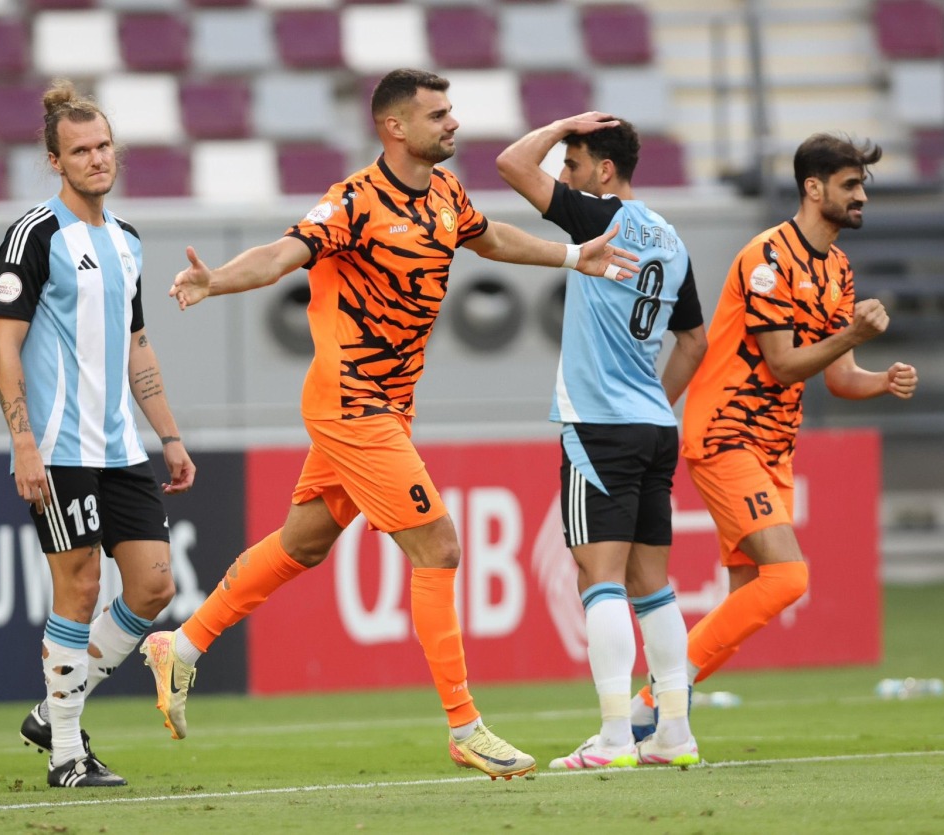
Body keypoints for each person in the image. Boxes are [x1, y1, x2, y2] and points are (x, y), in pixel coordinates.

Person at [138, 68, 639, 781]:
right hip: (351, 403)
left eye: (452, 110)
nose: (453, 123)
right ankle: (464, 726)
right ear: (395, 127)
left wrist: (571, 256)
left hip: (390, 405)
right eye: (438, 114)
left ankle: (181, 645)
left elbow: (490, 237)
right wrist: (216, 279)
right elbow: (282, 253)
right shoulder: (353, 201)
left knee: (303, 543)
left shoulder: (445, 193)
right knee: (439, 546)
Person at [627, 133, 919, 736]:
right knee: (789, 577)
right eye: (850, 185)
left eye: (862, 185)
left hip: (774, 448)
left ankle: (656, 716)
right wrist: (854, 335)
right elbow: (784, 364)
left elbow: (838, 377)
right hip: (726, 432)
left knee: (750, 595)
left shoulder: (838, 268)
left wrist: (881, 380)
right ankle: (656, 702)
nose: (862, 196)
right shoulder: (767, 259)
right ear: (813, 188)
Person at [0, 79, 196, 788]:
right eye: (80, 151)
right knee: (78, 587)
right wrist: (23, 442)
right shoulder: (35, 234)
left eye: (104, 146)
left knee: (154, 585)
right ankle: (67, 753)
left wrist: (169, 435)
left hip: (121, 446)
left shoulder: (128, 241)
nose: (96, 158)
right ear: (55, 161)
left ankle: (52, 710)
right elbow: (3, 344)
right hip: (58, 446)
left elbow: (137, 343)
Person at [496, 113, 708, 768]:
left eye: (574, 163)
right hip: (654, 426)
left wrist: (561, 124)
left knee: (600, 577)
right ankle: (674, 734)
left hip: (599, 425)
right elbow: (694, 341)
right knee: (654, 585)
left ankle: (616, 737)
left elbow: (511, 164)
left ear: (604, 171)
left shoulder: (598, 218)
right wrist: (653, 403)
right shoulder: (671, 238)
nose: (565, 175)